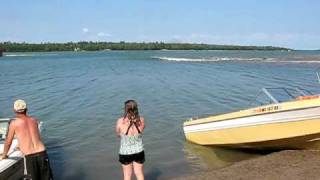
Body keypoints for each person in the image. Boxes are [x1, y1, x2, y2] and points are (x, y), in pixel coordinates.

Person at [1, 99, 53, 180]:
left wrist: (4, 155)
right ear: (26, 109)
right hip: (42, 153)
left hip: (30, 157)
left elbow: (8, 142)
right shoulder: (34, 120)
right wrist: (20, 145)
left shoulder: (14, 123)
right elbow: (33, 137)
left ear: (14, 110)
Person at [116, 100, 145, 180]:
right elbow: (141, 130)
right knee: (139, 173)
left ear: (125, 109)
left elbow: (118, 135)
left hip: (125, 152)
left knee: (127, 175)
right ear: (136, 109)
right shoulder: (141, 120)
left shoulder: (120, 121)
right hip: (139, 150)